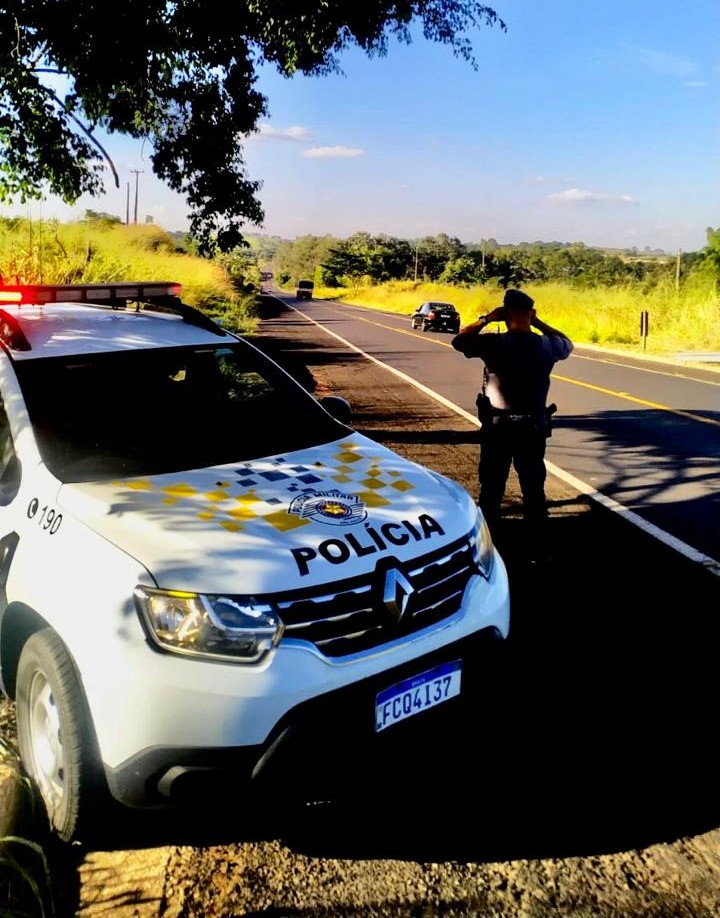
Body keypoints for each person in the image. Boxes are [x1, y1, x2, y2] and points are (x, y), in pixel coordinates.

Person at [451, 288, 573, 562]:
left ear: (505, 315)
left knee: (492, 490)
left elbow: (459, 342)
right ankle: (537, 549)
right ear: (530, 313)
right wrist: (538, 322)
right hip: (533, 428)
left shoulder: (493, 343)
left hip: (498, 428)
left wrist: (486, 319)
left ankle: (487, 550)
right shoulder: (547, 345)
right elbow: (567, 342)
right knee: (533, 490)